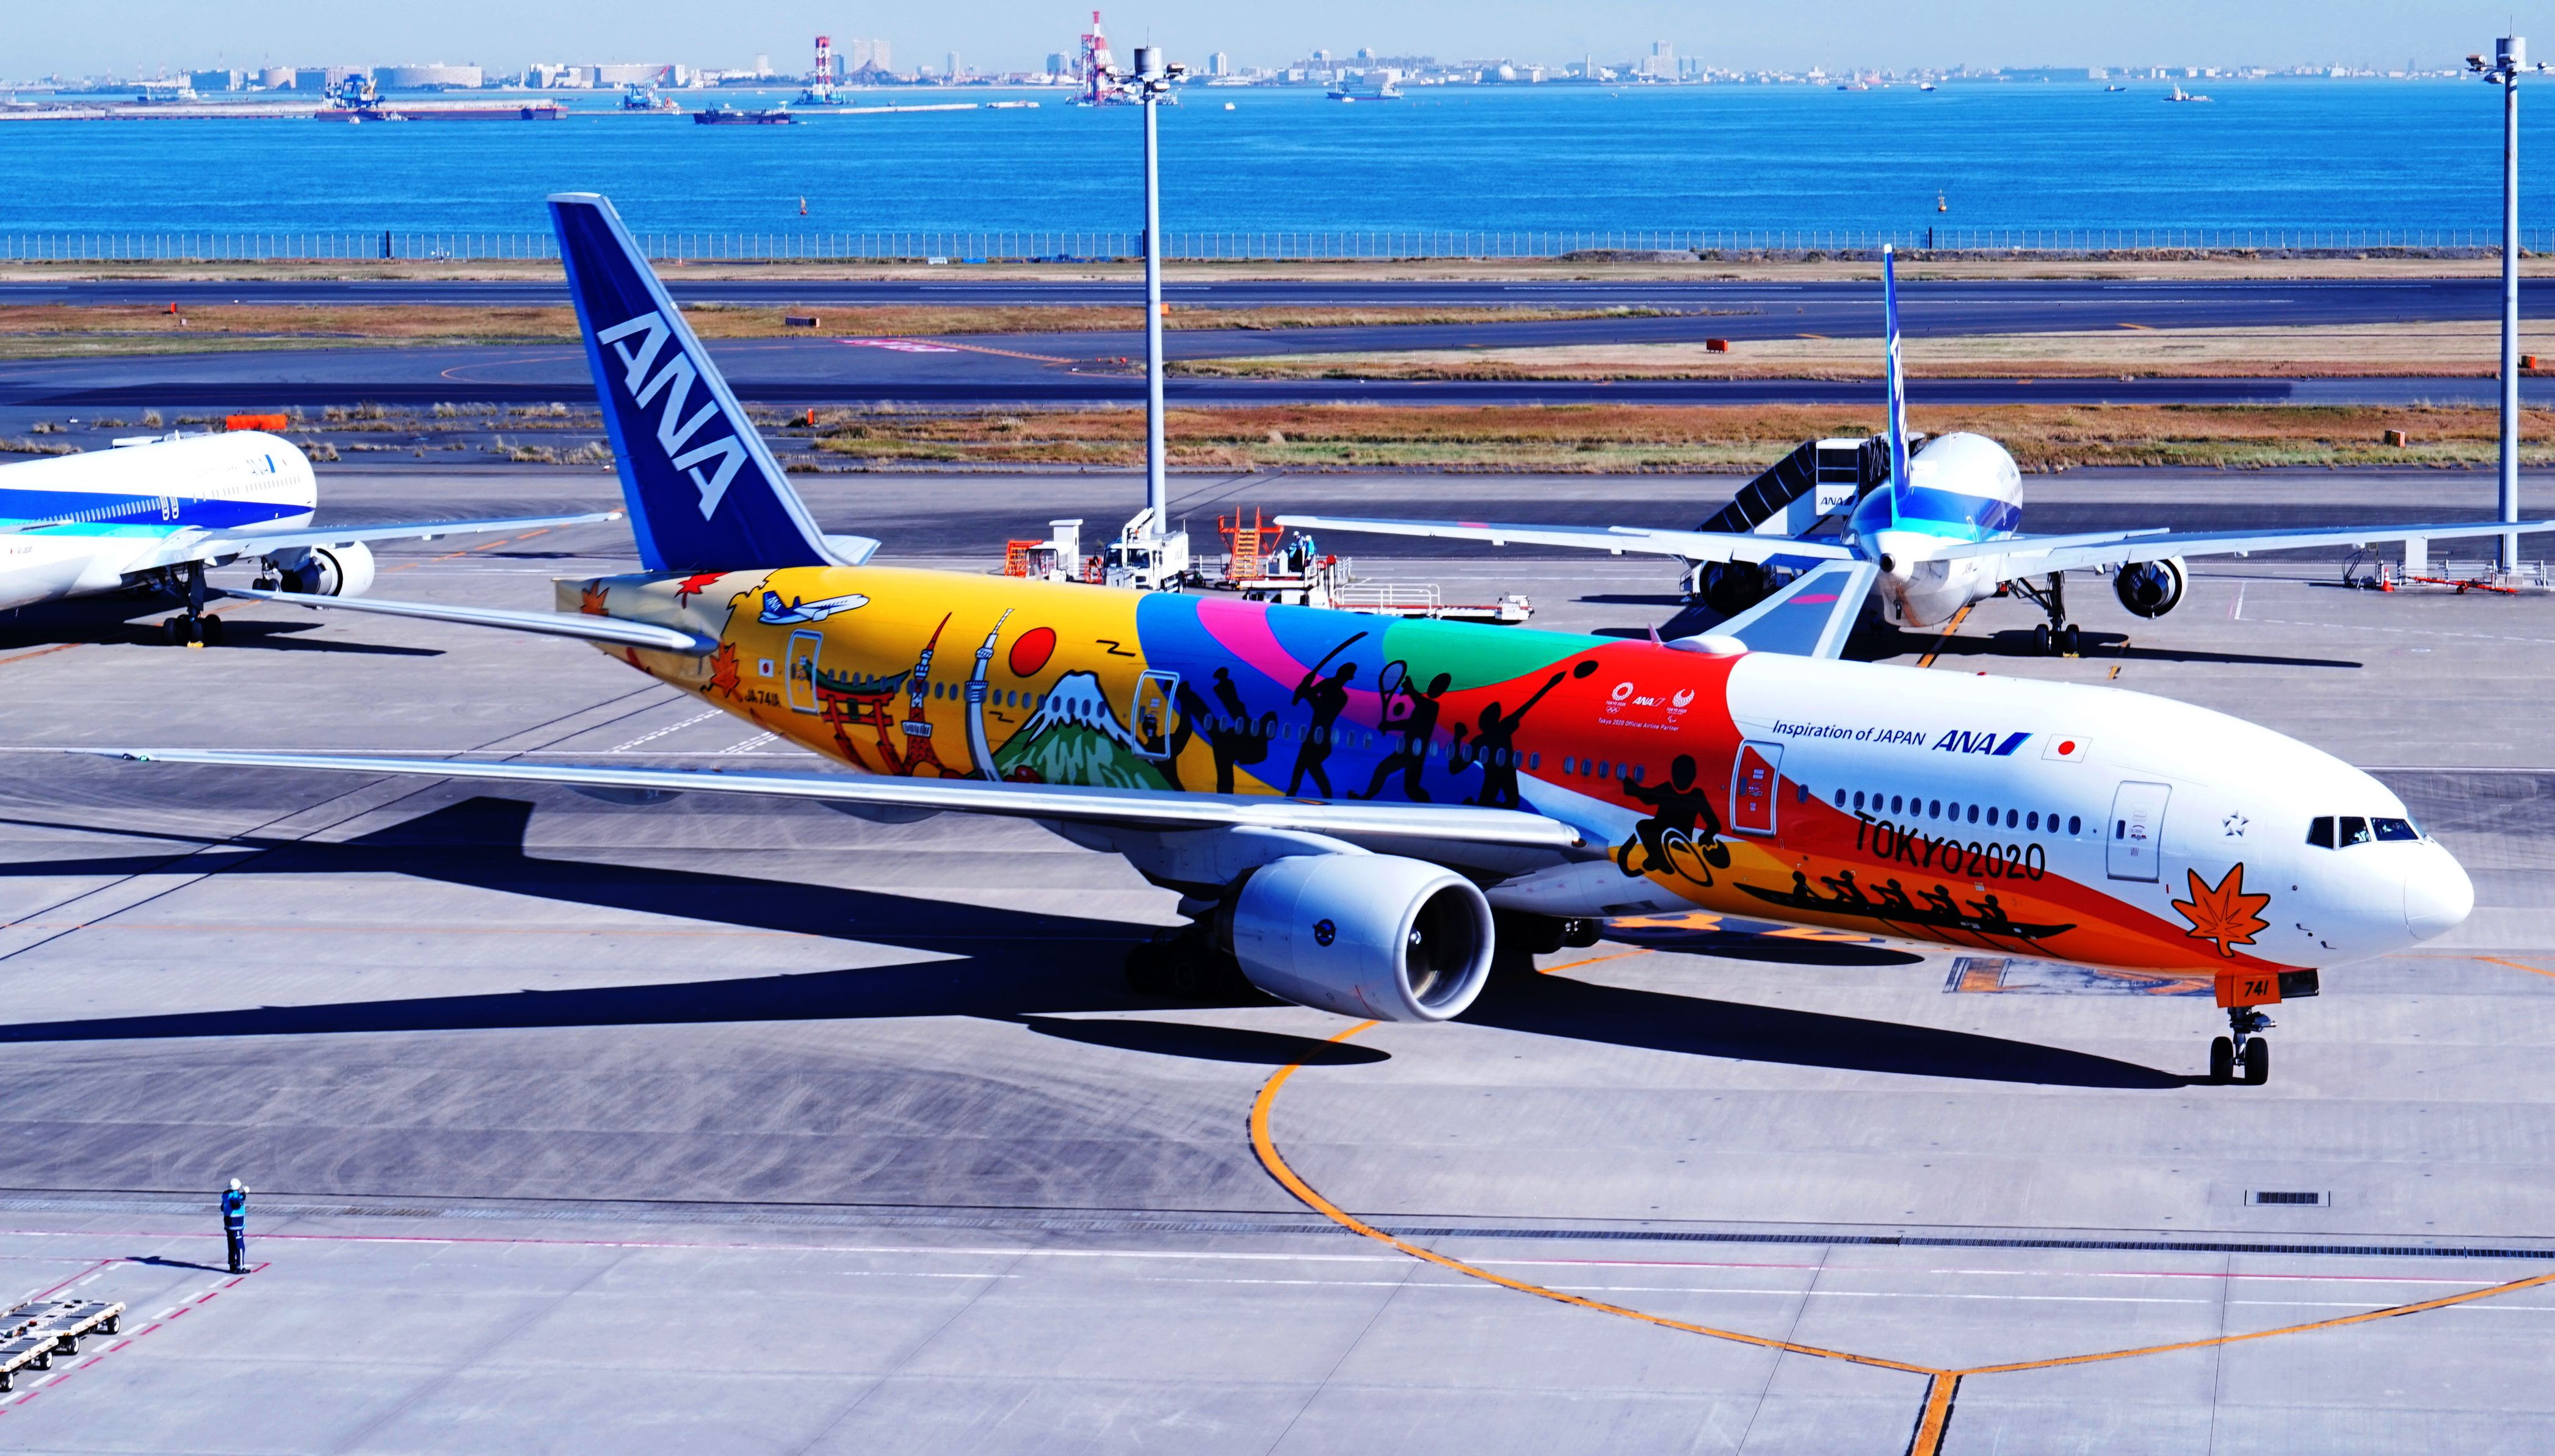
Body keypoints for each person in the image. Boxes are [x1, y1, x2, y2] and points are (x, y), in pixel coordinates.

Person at [220, 1178, 248, 1273]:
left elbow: (222, 1208)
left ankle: (232, 1265)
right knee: (240, 1247)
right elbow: (239, 1201)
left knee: (231, 1246)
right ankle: (240, 1267)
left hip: (228, 1225)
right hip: (236, 1225)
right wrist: (245, 1193)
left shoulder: (225, 1195)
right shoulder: (234, 1196)